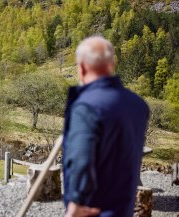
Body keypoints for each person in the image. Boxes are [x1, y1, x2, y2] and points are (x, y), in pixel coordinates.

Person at [62, 36, 149, 217]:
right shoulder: (139, 105)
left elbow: (81, 160)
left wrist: (76, 203)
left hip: (93, 209)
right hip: (124, 207)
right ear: (113, 64)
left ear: (82, 67)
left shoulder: (86, 107)